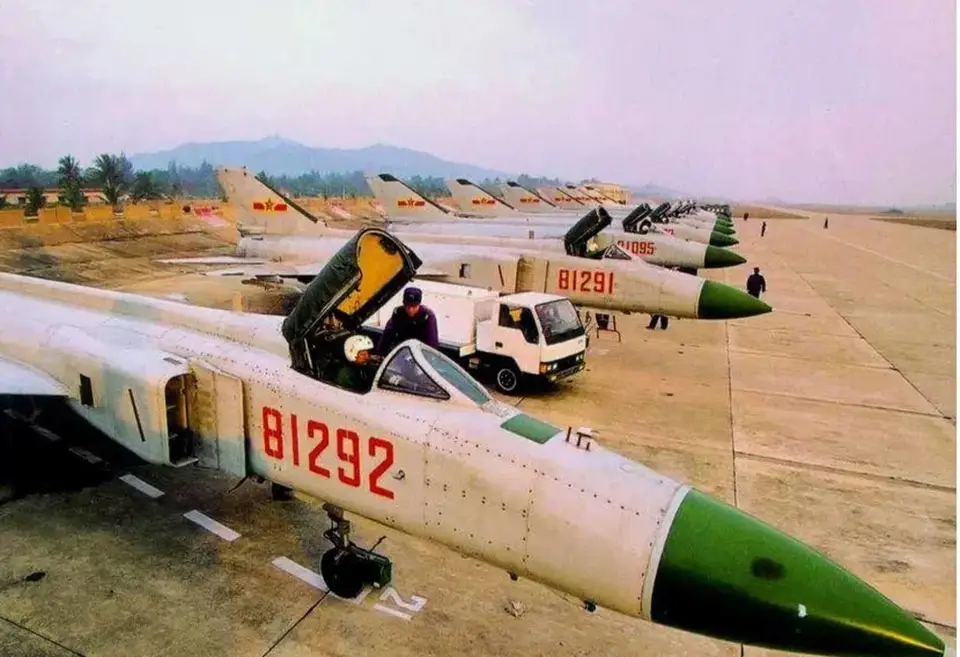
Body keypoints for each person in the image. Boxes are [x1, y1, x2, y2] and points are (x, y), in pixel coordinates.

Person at [375, 286, 439, 355]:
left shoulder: (428, 316)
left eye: (414, 306)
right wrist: (380, 353)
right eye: (407, 306)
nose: (410, 310)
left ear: (419, 304)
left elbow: (432, 343)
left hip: (420, 351)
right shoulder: (398, 313)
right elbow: (387, 335)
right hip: (402, 348)